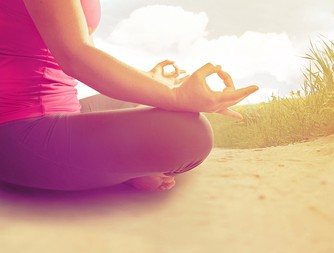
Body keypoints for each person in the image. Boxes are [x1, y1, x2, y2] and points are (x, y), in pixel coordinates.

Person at [0, 0, 258, 191]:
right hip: (18, 130)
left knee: (150, 96)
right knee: (193, 133)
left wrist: (152, 82)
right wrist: (174, 95)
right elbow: (75, 56)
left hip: (66, 108)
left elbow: (87, 55)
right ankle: (121, 170)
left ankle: (119, 166)